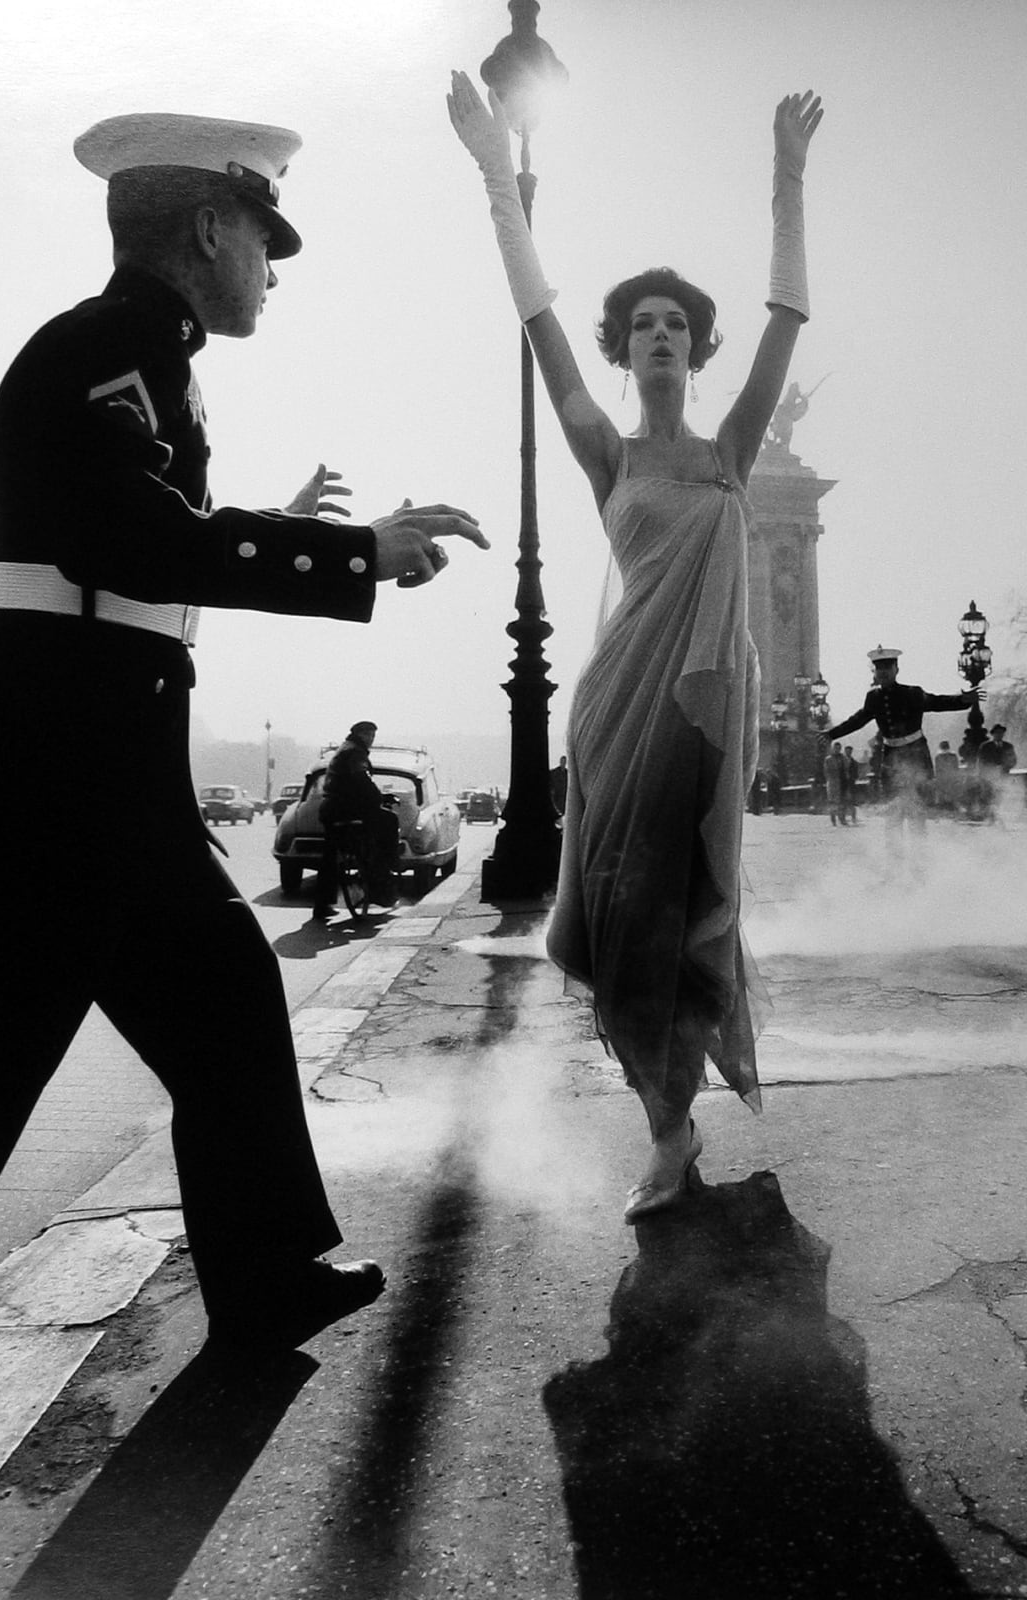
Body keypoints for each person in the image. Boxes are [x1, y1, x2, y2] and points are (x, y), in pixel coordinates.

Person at [0, 110, 489, 1526]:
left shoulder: (145, 360)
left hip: (100, 774)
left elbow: (131, 549)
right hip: (56, 785)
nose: (273, 273)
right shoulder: (110, 346)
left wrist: (274, 521)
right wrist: (348, 552)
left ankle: (270, 1268)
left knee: (226, 998)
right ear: (210, 229)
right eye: (265, 245)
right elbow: (120, 541)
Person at [448, 75, 824, 1221]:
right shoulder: (606, 454)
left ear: (693, 351)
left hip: (700, 710)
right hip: (613, 710)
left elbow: (785, 323)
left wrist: (786, 180)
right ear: (624, 350)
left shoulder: (728, 453)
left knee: (673, 912)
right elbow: (536, 319)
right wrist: (488, 173)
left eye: (677, 325)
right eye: (642, 326)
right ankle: (665, 1124)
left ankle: (667, 1135)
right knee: (615, 925)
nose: (660, 335)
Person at [823, 647, 979, 840]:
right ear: (875, 672)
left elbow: (937, 702)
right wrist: (832, 734)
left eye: (888, 667)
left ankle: (919, 855)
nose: (883, 672)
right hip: (890, 758)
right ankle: (894, 857)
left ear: (897, 669)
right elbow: (858, 719)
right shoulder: (873, 698)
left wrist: (963, 700)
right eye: (879, 669)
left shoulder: (912, 693)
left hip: (916, 756)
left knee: (917, 808)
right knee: (893, 809)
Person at [312, 720, 402, 919]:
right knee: (389, 820)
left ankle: (321, 904)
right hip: (347, 808)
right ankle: (390, 863)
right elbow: (361, 779)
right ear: (359, 735)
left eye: (372, 735)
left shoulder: (344, 749)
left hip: (331, 809)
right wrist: (380, 798)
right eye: (368, 735)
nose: (370, 739)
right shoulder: (355, 753)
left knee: (330, 857)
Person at [824, 741, 847, 825]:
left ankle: (842, 819)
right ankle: (833, 819)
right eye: (835, 748)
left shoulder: (843, 758)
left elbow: (846, 769)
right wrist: (830, 780)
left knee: (841, 801)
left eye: (839, 748)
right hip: (832, 782)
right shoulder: (828, 759)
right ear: (833, 749)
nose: (837, 750)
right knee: (832, 801)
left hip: (842, 782)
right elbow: (826, 771)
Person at [842, 746, 861, 824]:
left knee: (852, 802)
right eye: (847, 751)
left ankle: (853, 818)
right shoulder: (841, 762)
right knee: (843, 802)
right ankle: (843, 819)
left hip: (851, 784)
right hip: (843, 784)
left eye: (850, 751)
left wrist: (851, 777)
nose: (848, 753)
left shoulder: (854, 762)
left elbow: (856, 774)